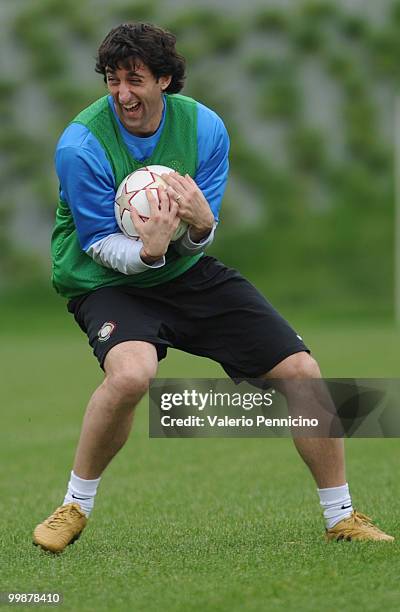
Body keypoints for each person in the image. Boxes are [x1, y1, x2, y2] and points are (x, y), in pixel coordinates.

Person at [33, 22, 393, 553]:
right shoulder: (81, 144)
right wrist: (149, 250)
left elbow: (200, 232)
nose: (122, 94)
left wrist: (199, 229)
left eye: (135, 80)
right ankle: (73, 506)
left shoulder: (204, 129)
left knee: (302, 370)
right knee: (133, 375)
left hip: (183, 274)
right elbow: (97, 246)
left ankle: (341, 515)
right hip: (104, 281)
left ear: (164, 80)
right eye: (112, 81)